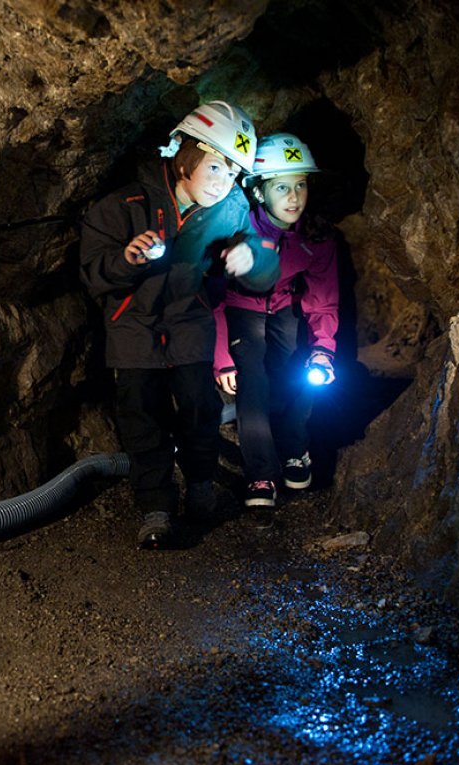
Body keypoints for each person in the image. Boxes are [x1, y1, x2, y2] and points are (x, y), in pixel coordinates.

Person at [80, 101, 281, 549]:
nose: (221, 183)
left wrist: (254, 259)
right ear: (185, 155)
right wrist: (126, 259)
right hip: (132, 326)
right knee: (142, 416)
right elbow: (92, 272)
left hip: (189, 321)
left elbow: (264, 257)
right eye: (214, 167)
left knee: (199, 408)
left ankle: (202, 487)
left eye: (231, 174)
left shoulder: (229, 209)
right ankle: (156, 507)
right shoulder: (122, 205)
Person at [213, 132, 340, 514]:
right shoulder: (236, 230)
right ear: (258, 192)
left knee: (302, 373)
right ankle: (261, 474)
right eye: (281, 186)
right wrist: (222, 357)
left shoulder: (316, 237)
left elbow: (323, 299)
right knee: (253, 381)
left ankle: (294, 450)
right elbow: (211, 296)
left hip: (284, 308)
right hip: (238, 308)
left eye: (300, 185)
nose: (294, 197)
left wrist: (323, 351)